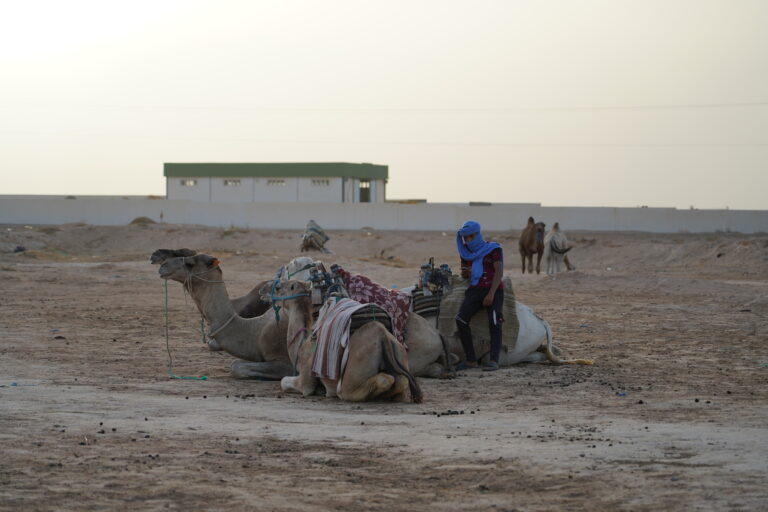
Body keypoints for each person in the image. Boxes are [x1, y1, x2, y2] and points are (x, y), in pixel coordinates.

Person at [455, 220, 504, 371]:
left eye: (471, 237)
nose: (469, 240)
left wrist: (491, 294)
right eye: (466, 238)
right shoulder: (466, 253)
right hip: (475, 288)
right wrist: (466, 273)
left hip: (493, 288)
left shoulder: (493, 249)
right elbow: (465, 273)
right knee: (461, 320)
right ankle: (471, 359)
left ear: (477, 234)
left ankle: (494, 360)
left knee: (495, 321)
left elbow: (499, 272)